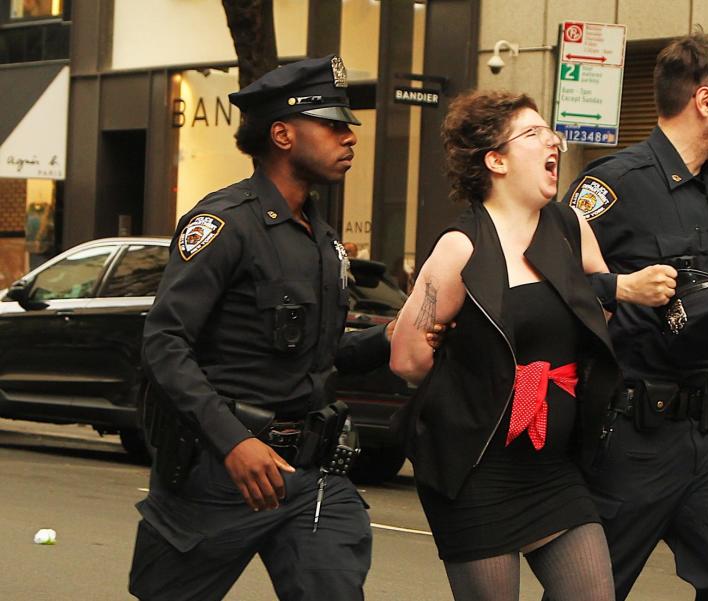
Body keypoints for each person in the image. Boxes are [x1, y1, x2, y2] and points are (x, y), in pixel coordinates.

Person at [389, 90, 672, 601]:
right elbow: (408, 358)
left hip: (552, 467)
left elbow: (598, 313)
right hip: (477, 471)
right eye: (534, 133)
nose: (553, 142)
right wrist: (463, 350)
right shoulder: (462, 247)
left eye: (551, 131)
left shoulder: (570, 226)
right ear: (495, 160)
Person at [129, 55, 391, 601]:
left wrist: (387, 341)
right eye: (333, 124)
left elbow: (316, 355)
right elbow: (164, 343)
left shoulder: (320, 237)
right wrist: (233, 443)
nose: (350, 138)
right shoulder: (224, 223)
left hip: (310, 473)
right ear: (283, 134)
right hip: (220, 475)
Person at [561, 32, 708, 601]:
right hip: (632, 435)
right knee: (589, 591)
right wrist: (621, 286)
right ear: (705, 99)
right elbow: (550, 284)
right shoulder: (612, 185)